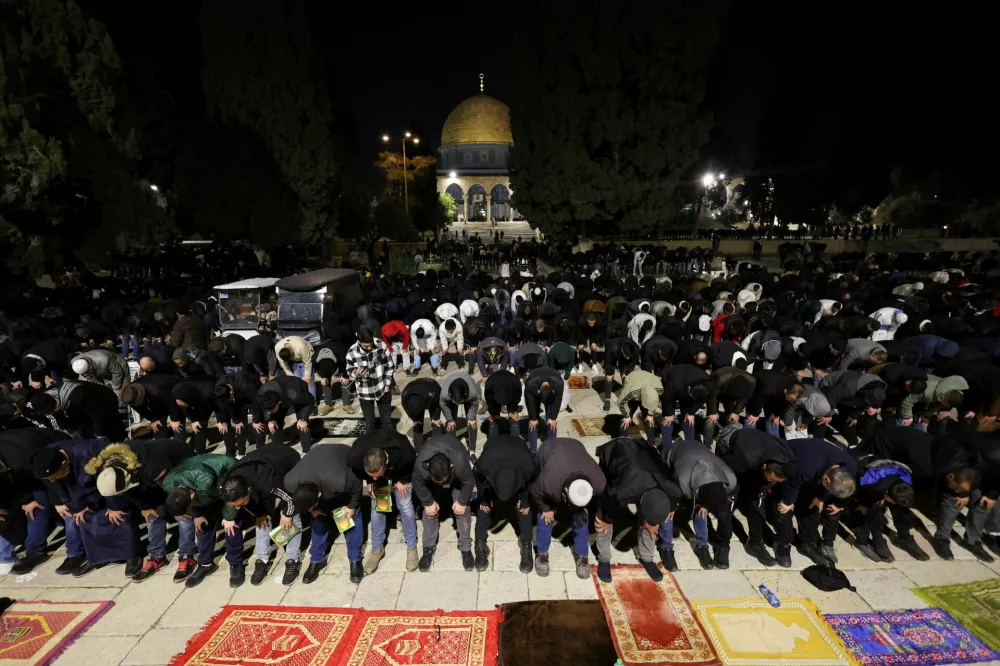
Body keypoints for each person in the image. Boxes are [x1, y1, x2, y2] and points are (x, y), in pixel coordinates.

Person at [84, 439, 194, 582]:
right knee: (153, 516)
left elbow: (171, 487)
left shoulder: (152, 465)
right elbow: (129, 491)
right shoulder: (107, 469)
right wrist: (145, 507)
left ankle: (187, 556)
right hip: (148, 478)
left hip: (180, 465)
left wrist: (178, 506)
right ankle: (157, 557)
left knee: (183, 515)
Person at [32, 440, 142, 578]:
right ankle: (97, 557)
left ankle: (131, 555)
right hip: (80, 492)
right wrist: (76, 508)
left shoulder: (91, 452)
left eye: (53, 477)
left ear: (64, 464)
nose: (52, 480)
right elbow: (57, 488)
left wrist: (115, 506)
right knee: (83, 517)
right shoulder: (46, 461)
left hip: (109, 485)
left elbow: (114, 479)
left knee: (118, 515)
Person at [595, 437, 677, 582]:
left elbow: (669, 503)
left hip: (644, 451)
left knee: (652, 519)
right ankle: (604, 558)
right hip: (615, 452)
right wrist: (607, 520)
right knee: (602, 519)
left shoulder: (671, 489)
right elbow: (608, 499)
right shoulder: (621, 491)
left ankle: (646, 557)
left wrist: (660, 518)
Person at [219, 445, 302, 587]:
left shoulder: (270, 482)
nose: (238, 508)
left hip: (288, 462)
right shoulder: (230, 482)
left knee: (290, 516)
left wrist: (287, 515)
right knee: (261, 519)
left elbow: (290, 499)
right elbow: (250, 506)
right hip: (261, 465)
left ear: (249, 490)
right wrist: (259, 514)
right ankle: (263, 559)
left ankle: (292, 559)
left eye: (240, 503)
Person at [285, 444, 365, 584]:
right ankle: (317, 559)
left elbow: (357, 486)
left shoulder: (339, 480)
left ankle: (355, 559)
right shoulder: (290, 482)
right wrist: (314, 511)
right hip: (318, 465)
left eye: (312, 507)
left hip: (341, 458)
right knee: (318, 519)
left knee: (350, 517)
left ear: (320, 495)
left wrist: (351, 506)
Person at [716, 427, 796, 567]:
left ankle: (755, 543)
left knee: (758, 501)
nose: (773, 483)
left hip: (758, 448)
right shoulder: (744, 458)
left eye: (776, 481)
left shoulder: (788, 459)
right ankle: (722, 544)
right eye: (772, 479)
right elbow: (724, 469)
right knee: (729, 500)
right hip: (729, 448)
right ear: (764, 467)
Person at [530, 437, 606, 579]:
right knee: (544, 516)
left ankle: (582, 555)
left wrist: (601, 516)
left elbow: (602, 501)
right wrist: (546, 509)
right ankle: (541, 554)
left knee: (581, 517)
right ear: (565, 490)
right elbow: (536, 492)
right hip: (549, 448)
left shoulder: (599, 481)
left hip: (575, 447)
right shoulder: (549, 481)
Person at [349, 428, 419, 574]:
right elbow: (361, 472)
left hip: (401, 473)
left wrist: (401, 481)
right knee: (377, 508)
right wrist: (370, 480)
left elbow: (412, 466)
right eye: (371, 475)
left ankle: (411, 546)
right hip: (379, 471)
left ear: (386, 462)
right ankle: (377, 549)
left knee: (405, 506)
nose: (374, 478)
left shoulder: (405, 453)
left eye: (376, 475)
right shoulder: (356, 455)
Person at [779, 438, 858, 567]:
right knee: (784, 506)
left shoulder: (850, 468)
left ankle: (806, 544)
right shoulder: (808, 467)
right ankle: (783, 543)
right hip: (791, 459)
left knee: (813, 507)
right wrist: (788, 502)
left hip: (818, 467)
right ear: (826, 480)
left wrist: (820, 498)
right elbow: (793, 483)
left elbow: (830, 489)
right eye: (828, 489)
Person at [161, 453, 237, 587]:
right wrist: (196, 514)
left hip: (227, 472)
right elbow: (186, 505)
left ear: (192, 495)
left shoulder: (206, 482)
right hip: (198, 479)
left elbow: (231, 496)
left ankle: (236, 563)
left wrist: (229, 517)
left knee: (232, 523)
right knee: (203, 525)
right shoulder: (169, 484)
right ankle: (206, 564)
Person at [661, 439, 738, 570]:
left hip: (698, 451)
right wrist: (672, 507)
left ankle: (702, 545)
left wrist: (705, 505)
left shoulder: (730, 479)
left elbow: (711, 499)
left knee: (701, 510)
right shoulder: (682, 480)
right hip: (674, 453)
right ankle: (666, 546)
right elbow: (671, 491)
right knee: (668, 510)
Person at [0, 427, 67, 575]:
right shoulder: (9, 463)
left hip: (54, 454)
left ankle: (37, 551)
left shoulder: (19, 457)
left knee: (43, 504)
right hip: (23, 471)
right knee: (32, 504)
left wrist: (57, 502)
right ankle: (34, 549)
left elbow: (49, 479)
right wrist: (25, 500)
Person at [473, 434, 537, 572]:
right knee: (483, 507)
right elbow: (478, 478)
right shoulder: (484, 465)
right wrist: (484, 499)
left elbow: (533, 481)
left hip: (517, 449)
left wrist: (525, 500)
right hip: (494, 447)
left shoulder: (528, 466)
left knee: (525, 509)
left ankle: (526, 544)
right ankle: (480, 545)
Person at [412, 434, 475, 572]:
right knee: (429, 511)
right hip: (432, 480)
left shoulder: (460, 461)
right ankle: (428, 548)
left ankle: (465, 548)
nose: (442, 484)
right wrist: (428, 502)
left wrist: (462, 502)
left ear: (451, 467)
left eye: (443, 480)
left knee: (463, 511)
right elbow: (418, 485)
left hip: (456, 478)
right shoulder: (421, 465)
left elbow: (468, 482)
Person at [31, 380, 125, 441]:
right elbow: (58, 417)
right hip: (85, 407)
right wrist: (66, 429)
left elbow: (99, 415)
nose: (53, 413)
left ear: (55, 403)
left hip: (105, 401)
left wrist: (100, 434)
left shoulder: (79, 397)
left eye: (53, 410)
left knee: (109, 429)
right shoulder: (49, 395)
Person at [344, 326, 396, 431]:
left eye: (371, 345)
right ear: (359, 341)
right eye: (366, 346)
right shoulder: (351, 353)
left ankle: (390, 442)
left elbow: (390, 365)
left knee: (387, 422)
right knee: (369, 423)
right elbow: (349, 371)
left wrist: (387, 384)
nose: (369, 348)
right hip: (365, 393)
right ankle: (371, 444)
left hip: (383, 389)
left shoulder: (381, 345)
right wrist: (356, 373)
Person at [255, 375, 316, 451]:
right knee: (273, 425)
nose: (269, 412)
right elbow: (263, 408)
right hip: (280, 390)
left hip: (296, 389)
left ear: (279, 403)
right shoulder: (261, 394)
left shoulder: (295, 394)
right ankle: (277, 449)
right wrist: (270, 419)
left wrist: (303, 418)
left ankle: (306, 450)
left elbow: (309, 402)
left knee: (302, 425)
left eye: (271, 410)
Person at [120, 373, 184, 440]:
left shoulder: (156, 390)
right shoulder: (129, 395)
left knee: (177, 423)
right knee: (158, 425)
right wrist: (153, 419)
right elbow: (140, 409)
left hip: (175, 387)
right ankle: (161, 442)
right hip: (156, 398)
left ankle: (180, 445)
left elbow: (171, 402)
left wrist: (174, 419)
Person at [212, 371, 261, 457]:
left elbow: (256, 404)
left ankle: (253, 450)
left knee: (257, 423)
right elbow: (222, 407)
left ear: (231, 393)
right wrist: (224, 421)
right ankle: (232, 452)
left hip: (251, 390)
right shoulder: (219, 387)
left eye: (229, 400)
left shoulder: (246, 387)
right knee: (235, 424)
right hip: (236, 392)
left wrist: (256, 420)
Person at [172, 378, 219, 454]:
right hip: (190, 392)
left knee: (201, 423)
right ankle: (199, 450)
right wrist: (193, 420)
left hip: (207, 396)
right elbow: (185, 409)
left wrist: (221, 420)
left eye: (185, 404)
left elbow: (218, 407)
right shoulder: (177, 395)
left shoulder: (206, 394)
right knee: (197, 424)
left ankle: (200, 452)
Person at [440, 371, 481, 455]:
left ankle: (472, 450)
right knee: (450, 424)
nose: (458, 404)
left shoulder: (472, 393)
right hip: (452, 394)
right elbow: (443, 405)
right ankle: (451, 447)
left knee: (472, 423)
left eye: (460, 402)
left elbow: (475, 403)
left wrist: (471, 418)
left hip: (467, 395)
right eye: (456, 402)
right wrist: (450, 419)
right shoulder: (444, 395)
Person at [523, 366, 564, 451]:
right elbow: (530, 402)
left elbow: (557, 402)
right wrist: (533, 418)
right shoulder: (530, 384)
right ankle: (533, 450)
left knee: (552, 421)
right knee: (533, 422)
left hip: (550, 393)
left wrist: (553, 417)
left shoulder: (558, 384)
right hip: (533, 388)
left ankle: (551, 448)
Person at [483, 367, 523, 437]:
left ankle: (516, 442)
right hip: (494, 392)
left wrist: (513, 410)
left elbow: (517, 398)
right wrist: (492, 412)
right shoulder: (489, 385)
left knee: (513, 417)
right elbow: (489, 401)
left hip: (512, 392)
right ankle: (493, 443)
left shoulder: (516, 383)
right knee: (494, 418)